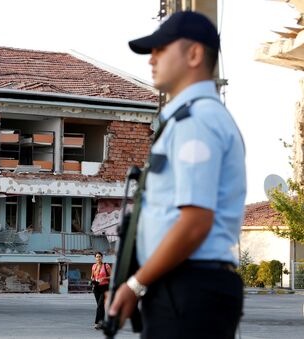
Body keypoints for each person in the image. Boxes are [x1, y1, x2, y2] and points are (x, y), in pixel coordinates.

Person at [108, 11, 246, 339]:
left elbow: (195, 222)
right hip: (183, 285)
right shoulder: (192, 118)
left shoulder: (195, 121)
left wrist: (135, 284)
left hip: (189, 288)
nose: (151, 59)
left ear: (194, 54)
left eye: (161, 48)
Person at [91, 251, 111, 329]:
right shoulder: (93, 266)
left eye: (99, 256)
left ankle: (97, 323)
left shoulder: (106, 266)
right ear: (95, 258)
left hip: (105, 287)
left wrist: (104, 278)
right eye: (97, 257)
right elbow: (92, 276)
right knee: (100, 306)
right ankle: (103, 322)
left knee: (100, 306)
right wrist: (93, 280)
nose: (98, 258)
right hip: (96, 288)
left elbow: (112, 276)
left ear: (102, 257)